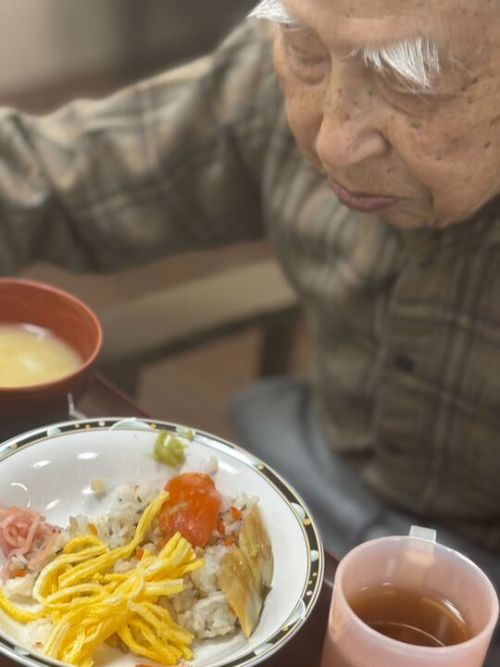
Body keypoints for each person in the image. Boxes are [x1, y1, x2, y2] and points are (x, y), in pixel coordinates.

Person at [1, 0, 499, 596]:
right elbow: (45, 173)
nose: (333, 143)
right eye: (305, 46)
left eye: (411, 79)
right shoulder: (290, 57)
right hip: (316, 477)